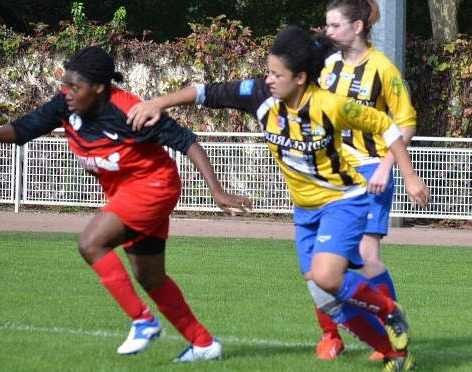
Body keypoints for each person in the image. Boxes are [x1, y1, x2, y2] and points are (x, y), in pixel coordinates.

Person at [126, 26, 429, 372]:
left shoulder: (330, 105)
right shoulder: (260, 97)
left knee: (327, 277)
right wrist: (156, 103)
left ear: (300, 77)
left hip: (344, 200)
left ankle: (390, 311)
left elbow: (388, 128)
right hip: (305, 212)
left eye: (276, 74)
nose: (268, 79)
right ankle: (397, 356)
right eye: (267, 71)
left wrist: (407, 174)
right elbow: (204, 92)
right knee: (327, 301)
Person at [0, 45, 252, 363]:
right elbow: (24, 128)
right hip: (127, 194)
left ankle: (142, 321)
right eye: (65, 85)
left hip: (154, 188)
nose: (66, 93)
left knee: (90, 243)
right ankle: (204, 344)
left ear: (98, 88)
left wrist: (217, 191)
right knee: (150, 278)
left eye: (74, 87)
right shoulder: (64, 106)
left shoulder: (129, 111)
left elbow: (186, 141)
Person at [313, 0, 418, 362]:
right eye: (326, 25)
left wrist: (389, 166)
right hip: (332, 172)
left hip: (373, 168)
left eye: (334, 25)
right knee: (319, 256)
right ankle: (331, 335)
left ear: (357, 27)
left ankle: (392, 328)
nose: (327, 32)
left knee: (365, 253)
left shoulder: (383, 70)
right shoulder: (326, 67)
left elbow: (405, 124)